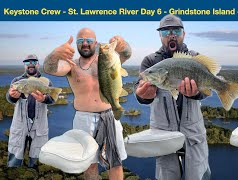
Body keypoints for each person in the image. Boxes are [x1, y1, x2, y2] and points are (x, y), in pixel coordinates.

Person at [43, 28, 131, 180]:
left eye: (89, 41)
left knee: (115, 162)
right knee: (89, 164)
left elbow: (126, 54)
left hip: (109, 115)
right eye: (80, 41)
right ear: (77, 44)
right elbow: (49, 68)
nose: (85, 44)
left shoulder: (106, 59)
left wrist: (123, 45)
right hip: (83, 119)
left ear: (95, 43)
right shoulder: (71, 65)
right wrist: (55, 54)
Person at [134, 14, 211, 180]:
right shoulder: (150, 62)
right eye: (165, 32)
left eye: (176, 30)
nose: (171, 35)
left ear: (183, 33)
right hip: (163, 133)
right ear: (160, 36)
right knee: (166, 175)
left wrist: (196, 92)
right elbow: (140, 89)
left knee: (198, 174)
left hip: (193, 133)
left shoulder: (195, 58)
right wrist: (142, 95)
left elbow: (205, 91)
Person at [6, 54, 56, 168]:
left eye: (33, 62)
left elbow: (52, 99)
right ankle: (14, 171)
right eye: (28, 62)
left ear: (38, 64)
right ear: (24, 65)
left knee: (38, 154)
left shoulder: (46, 82)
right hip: (20, 124)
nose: (31, 65)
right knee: (16, 150)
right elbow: (10, 98)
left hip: (39, 124)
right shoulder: (17, 81)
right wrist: (13, 95)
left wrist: (44, 98)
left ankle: (34, 171)